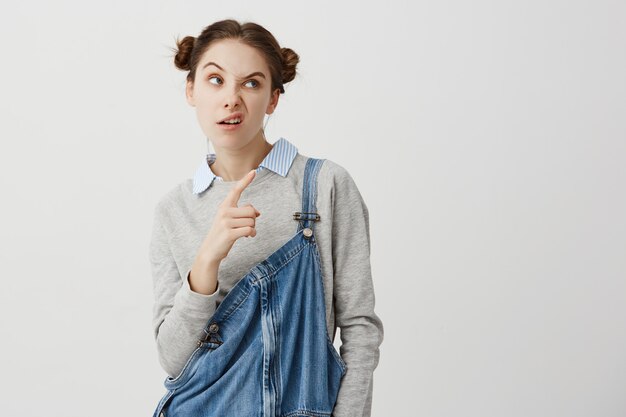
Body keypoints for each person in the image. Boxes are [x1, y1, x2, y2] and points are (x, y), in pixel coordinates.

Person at [149, 19, 384, 417]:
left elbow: (360, 331)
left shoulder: (323, 186)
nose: (231, 99)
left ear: (273, 99)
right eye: (215, 80)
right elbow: (174, 360)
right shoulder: (174, 209)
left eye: (252, 83)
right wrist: (207, 258)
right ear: (191, 90)